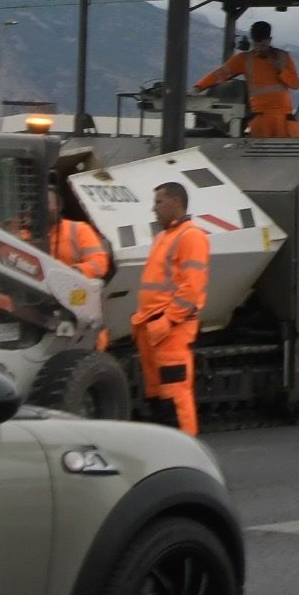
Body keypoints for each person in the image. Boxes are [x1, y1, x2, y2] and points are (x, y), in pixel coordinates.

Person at [131, 182, 209, 435]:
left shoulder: (191, 236)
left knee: (174, 397)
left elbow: (192, 289)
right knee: (157, 399)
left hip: (170, 332)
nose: (154, 209)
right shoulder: (165, 237)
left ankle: (185, 455)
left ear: (176, 202)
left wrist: (166, 322)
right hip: (154, 330)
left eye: (158, 202)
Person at [193, 20, 299, 138]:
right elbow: (219, 74)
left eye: (263, 45)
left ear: (270, 40)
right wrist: (199, 87)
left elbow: (296, 84)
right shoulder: (244, 59)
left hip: (285, 118)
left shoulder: (283, 57)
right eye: (257, 45)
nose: (260, 49)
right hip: (261, 118)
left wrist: (281, 71)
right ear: (252, 41)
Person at [48, 188, 111, 349]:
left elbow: (99, 262)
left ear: (59, 206)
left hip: (77, 303)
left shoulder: (78, 230)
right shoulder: (27, 235)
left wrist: (74, 273)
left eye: (47, 203)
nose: (42, 208)